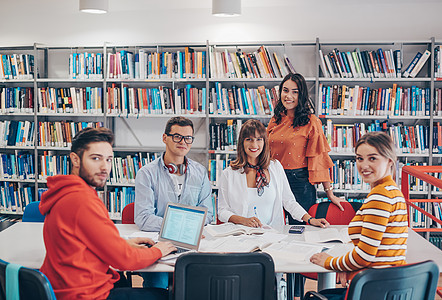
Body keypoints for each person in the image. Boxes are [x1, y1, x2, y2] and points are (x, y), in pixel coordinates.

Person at [39, 127, 177, 300]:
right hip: (86, 294)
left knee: (125, 283)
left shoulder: (66, 192)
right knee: (169, 296)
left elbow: (88, 242)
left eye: (109, 159)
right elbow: (125, 261)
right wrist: (158, 250)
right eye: (96, 158)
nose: (105, 167)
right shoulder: (81, 200)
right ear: (75, 159)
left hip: (68, 286)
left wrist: (122, 244)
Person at [310, 132, 408, 299]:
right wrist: (348, 265)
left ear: (389, 161)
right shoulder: (392, 191)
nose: (364, 165)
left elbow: (365, 256)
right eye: (359, 158)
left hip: (373, 289)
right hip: (387, 286)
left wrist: (330, 262)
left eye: (372, 158)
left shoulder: (380, 197)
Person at [134, 116, 214, 289]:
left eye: (188, 138)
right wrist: (183, 227)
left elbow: (208, 213)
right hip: (158, 245)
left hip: (192, 245)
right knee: (158, 284)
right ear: (165, 138)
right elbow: (143, 218)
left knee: (201, 285)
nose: (183, 142)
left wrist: (184, 229)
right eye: (177, 136)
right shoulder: (146, 174)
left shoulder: (199, 172)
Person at [218, 119, 329, 230]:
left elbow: (289, 201)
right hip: (241, 236)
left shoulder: (275, 167)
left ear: (264, 142)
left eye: (259, 139)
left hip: (272, 235)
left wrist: (310, 219)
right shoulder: (229, 174)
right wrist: (243, 220)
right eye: (249, 139)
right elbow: (222, 211)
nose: (254, 144)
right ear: (242, 142)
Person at [267, 73, 346, 222]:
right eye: (285, 90)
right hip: (274, 179)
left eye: (294, 92)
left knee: (300, 230)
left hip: (299, 182)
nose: (288, 96)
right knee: (274, 227)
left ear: (301, 95)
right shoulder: (276, 119)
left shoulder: (311, 122)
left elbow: (320, 158)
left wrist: (329, 193)